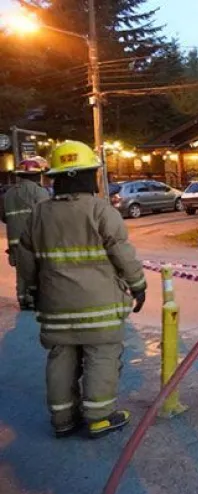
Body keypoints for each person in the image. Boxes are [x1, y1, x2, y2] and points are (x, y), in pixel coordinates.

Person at [17, 140, 146, 439]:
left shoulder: (38, 214)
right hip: (99, 307)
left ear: (56, 178)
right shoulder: (100, 211)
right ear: (88, 175)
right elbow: (122, 254)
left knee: (61, 356)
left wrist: (34, 289)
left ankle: (62, 419)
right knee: (102, 355)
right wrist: (138, 286)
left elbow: (25, 260)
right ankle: (99, 417)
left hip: (55, 306)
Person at [2, 157, 51, 310]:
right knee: (36, 268)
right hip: (34, 239)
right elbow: (46, 215)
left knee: (21, 271)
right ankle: (35, 299)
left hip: (15, 241)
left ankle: (23, 299)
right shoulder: (39, 191)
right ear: (37, 175)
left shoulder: (8, 194)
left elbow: (4, 217)